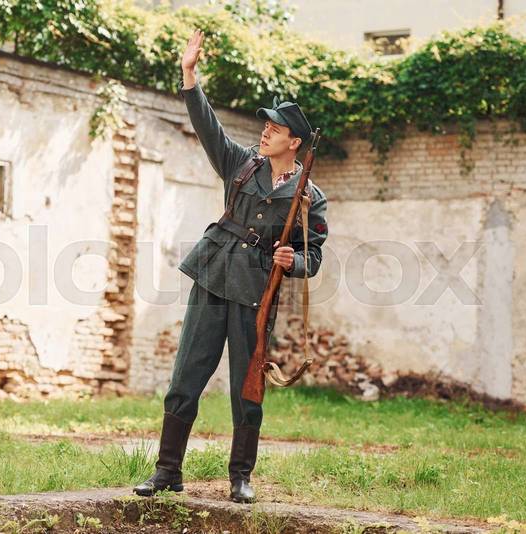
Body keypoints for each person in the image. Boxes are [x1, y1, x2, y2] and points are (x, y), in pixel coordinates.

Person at [134, 29, 329, 503]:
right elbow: (208, 127)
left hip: (256, 295)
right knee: (186, 377)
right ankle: (167, 471)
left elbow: (314, 255)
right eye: (265, 126)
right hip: (213, 277)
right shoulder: (241, 164)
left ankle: (241, 476)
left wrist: (294, 260)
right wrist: (189, 76)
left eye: (274, 129)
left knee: (248, 387)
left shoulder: (308, 197)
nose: (265, 132)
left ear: (294, 142)